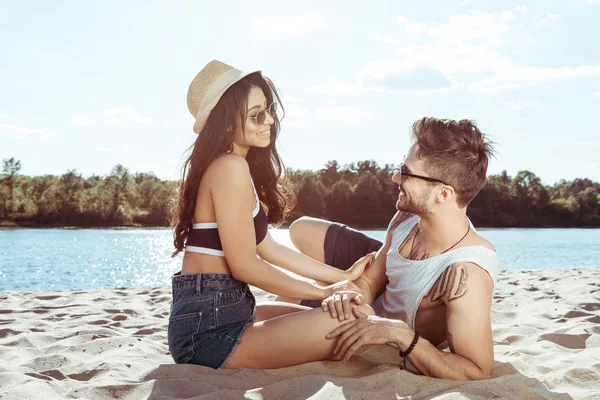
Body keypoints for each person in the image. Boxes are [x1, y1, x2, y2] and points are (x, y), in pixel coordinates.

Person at [167, 60, 375, 370]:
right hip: (208, 331)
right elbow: (245, 266)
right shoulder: (229, 167)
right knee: (358, 318)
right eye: (256, 115)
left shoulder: (237, 167)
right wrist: (321, 291)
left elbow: (269, 248)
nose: (269, 121)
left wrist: (340, 277)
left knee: (355, 314)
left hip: (227, 311)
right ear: (225, 124)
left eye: (268, 110)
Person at [289, 117, 499, 380]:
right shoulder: (407, 218)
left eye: (406, 172)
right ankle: (324, 291)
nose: (394, 177)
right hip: (372, 307)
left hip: (393, 328)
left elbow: (477, 371)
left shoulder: (466, 274)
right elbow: (370, 280)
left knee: (273, 324)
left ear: (443, 194)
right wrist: (351, 296)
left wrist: (399, 333)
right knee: (302, 233)